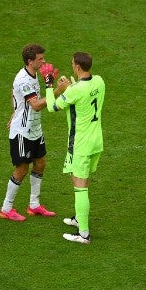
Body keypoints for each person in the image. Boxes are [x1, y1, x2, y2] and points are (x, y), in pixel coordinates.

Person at [45, 52, 105, 244]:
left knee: (80, 186)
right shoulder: (99, 81)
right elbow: (82, 93)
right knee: (78, 178)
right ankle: (80, 217)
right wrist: (70, 87)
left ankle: (84, 234)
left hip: (81, 145)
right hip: (96, 141)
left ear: (77, 67)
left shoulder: (74, 91)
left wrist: (50, 86)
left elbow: (51, 107)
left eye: (72, 64)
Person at [0, 44, 57, 222]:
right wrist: (57, 89)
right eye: (40, 59)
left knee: (40, 163)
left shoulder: (32, 74)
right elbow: (37, 106)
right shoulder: (23, 80)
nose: (44, 61)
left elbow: (13, 93)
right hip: (22, 132)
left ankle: (34, 205)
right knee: (22, 169)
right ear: (30, 61)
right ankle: (6, 208)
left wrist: (15, 110)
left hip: (35, 129)